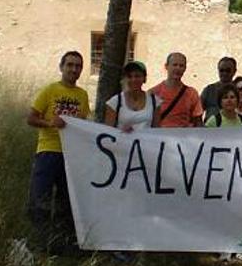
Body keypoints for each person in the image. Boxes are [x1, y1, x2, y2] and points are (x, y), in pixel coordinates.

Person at [26, 50, 90, 253]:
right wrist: (49, 122)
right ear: (61, 67)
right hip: (48, 151)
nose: (74, 69)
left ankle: (62, 244)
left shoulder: (82, 95)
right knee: (40, 198)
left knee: (66, 200)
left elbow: (82, 124)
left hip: (71, 155)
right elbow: (30, 118)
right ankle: (39, 242)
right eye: (70, 65)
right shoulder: (49, 90)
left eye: (78, 66)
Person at [150, 52, 204, 128]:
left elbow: (198, 121)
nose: (177, 68)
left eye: (181, 66)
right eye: (174, 65)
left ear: (185, 68)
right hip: (161, 137)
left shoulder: (192, 93)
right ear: (166, 66)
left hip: (184, 137)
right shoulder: (153, 93)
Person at [104, 61, 160, 131]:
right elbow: (107, 132)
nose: (133, 80)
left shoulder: (154, 101)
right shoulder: (114, 102)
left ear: (144, 79)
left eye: (137, 76)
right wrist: (121, 131)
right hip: (122, 141)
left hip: (146, 141)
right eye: (129, 76)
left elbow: (157, 132)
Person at [200, 56, 237, 122]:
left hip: (234, 130)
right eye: (221, 70)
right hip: (211, 130)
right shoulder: (209, 90)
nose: (224, 73)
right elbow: (198, 112)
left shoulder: (241, 91)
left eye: (228, 70)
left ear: (234, 71)